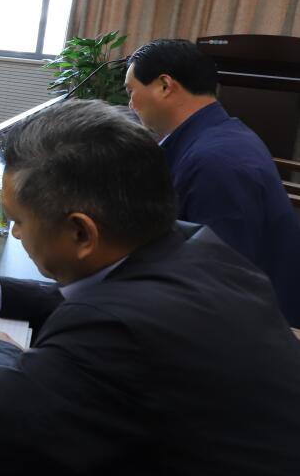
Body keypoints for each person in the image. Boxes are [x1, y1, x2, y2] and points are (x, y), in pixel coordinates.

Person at [0, 100, 300, 476]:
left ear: (82, 233)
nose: (15, 234)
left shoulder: (118, 333)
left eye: (18, 221)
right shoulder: (198, 246)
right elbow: (110, 296)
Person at [125, 38, 300, 324]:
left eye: (131, 91)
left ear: (165, 86)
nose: (130, 105)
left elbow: (217, 283)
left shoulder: (216, 163)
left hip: (250, 326)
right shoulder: (216, 135)